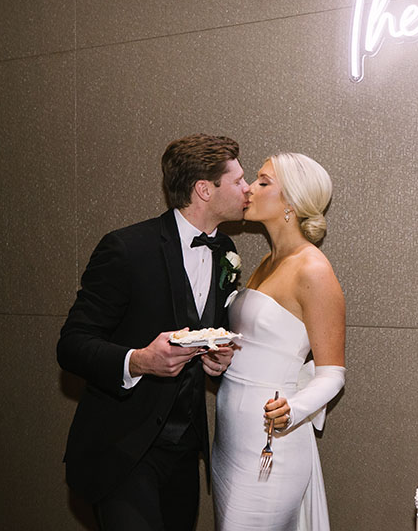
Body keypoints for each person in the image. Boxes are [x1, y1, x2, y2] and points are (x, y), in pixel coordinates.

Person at [57, 134, 250, 531]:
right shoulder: (127, 249)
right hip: (123, 449)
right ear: (204, 190)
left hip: (184, 452)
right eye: (238, 181)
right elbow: (72, 345)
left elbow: (214, 328)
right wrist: (140, 360)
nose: (247, 189)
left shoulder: (226, 249)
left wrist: (219, 359)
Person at [212, 153, 346, 530]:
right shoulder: (266, 262)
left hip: (272, 440)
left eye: (263, 182)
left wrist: (292, 410)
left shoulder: (313, 270)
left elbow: (332, 373)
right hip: (230, 437)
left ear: (292, 202)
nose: (249, 189)